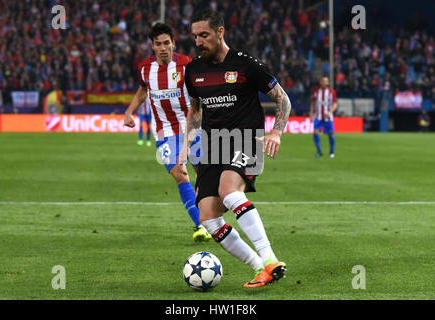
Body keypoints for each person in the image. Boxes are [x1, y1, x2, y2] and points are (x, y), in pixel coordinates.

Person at [179, 10, 291, 288]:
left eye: (204, 35)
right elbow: (195, 111)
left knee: (229, 191)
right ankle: (261, 268)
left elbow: (283, 100)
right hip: (212, 146)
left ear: (220, 32)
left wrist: (276, 132)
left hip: (245, 141)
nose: (198, 41)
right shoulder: (193, 71)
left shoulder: (246, 66)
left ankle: (270, 258)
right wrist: (185, 146)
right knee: (207, 217)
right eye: (195, 36)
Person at [124, 23, 211, 242]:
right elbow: (143, 90)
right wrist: (129, 112)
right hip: (164, 132)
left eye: (166, 43)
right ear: (152, 46)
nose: (163, 48)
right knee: (180, 174)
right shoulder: (145, 69)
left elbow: (200, 92)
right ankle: (200, 225)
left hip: (191, 127)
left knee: (204, 173)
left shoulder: (186, 64)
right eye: (158, 44)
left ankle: (211, 217)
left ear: (174, 42)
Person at [310, 77, 338, 158]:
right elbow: (312, 103)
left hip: (328, 118)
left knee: (330, 135)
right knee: (315, 132)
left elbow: (335, 104)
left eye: (325, 81)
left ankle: (332, 152)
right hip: (318, 117)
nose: (324, 82)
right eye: (322, 81)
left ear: (328, 82)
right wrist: (311, 114)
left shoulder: (332, 92)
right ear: (320, 82)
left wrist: (330, 112)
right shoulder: (315, 92)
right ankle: (319, 151)